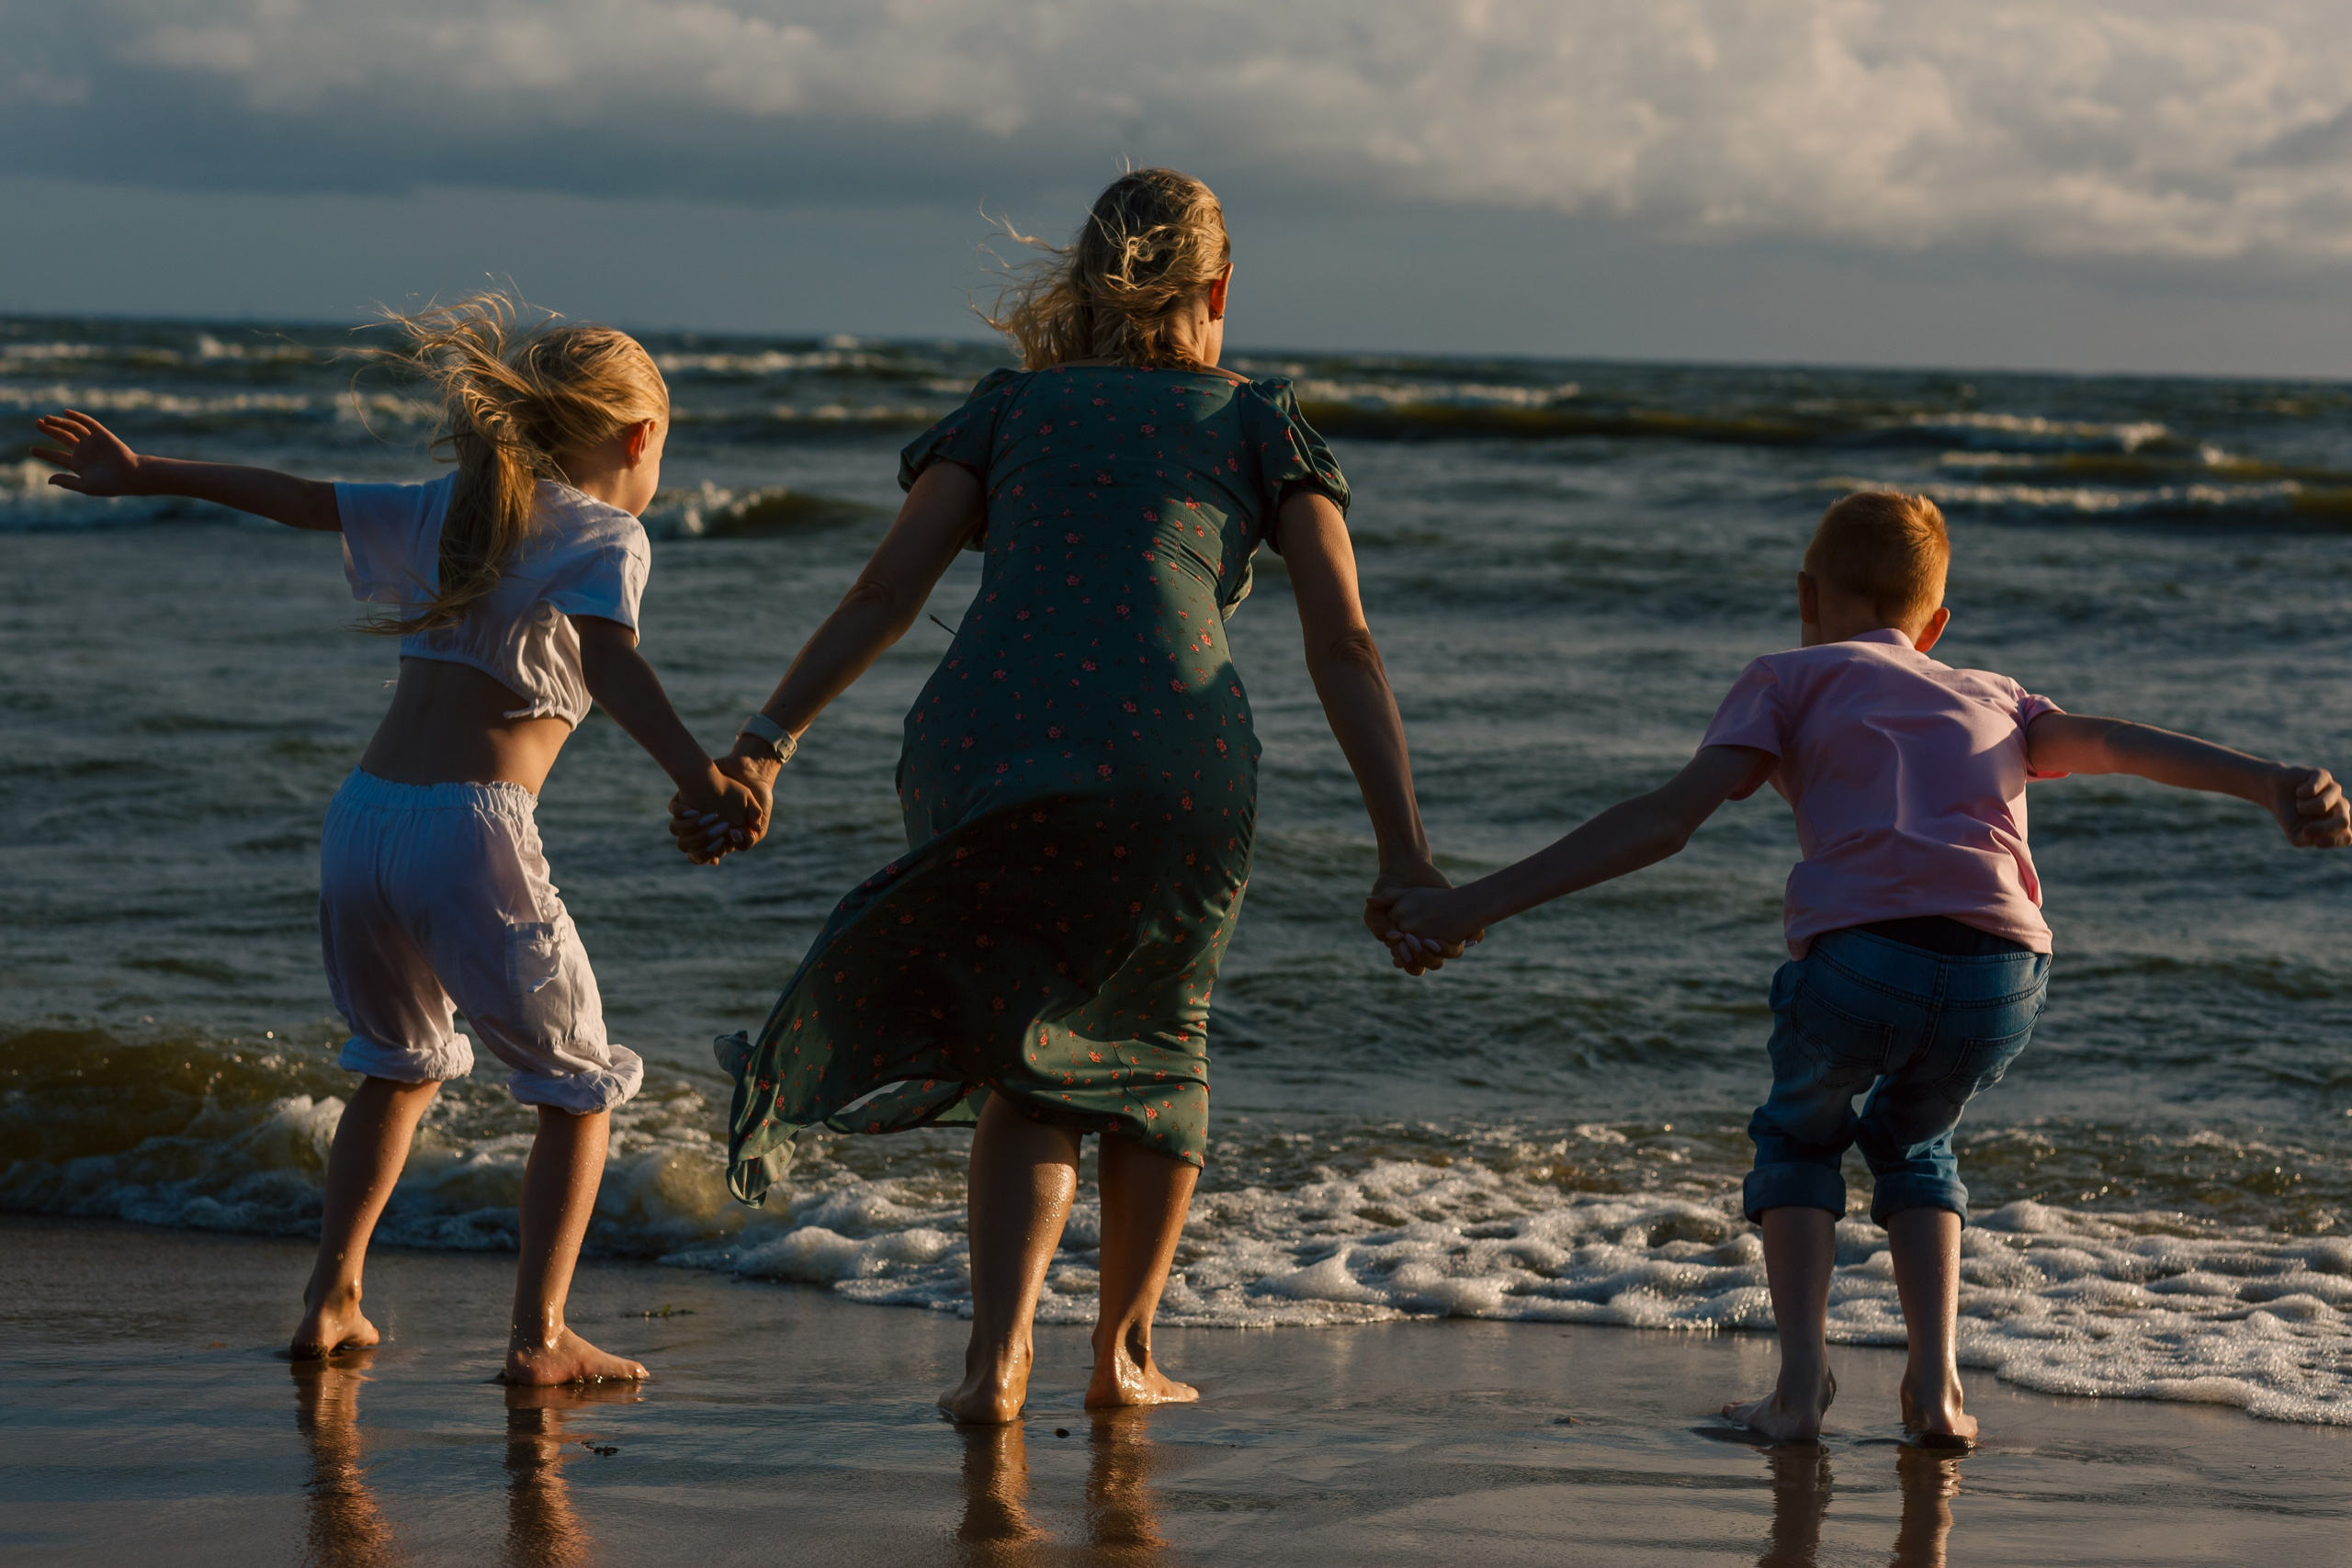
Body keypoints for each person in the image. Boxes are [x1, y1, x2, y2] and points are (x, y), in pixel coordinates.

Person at [672, 167, 1459, 1424]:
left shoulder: (1010, 408)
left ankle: (994, 1363)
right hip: (1169, 754)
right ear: (1219, 284)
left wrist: (766, 741)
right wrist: (1404, 850)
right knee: (1154, 1034)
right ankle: (1122, 1356)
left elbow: (879, 598)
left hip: (983, 738)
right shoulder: (1259, 421)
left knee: (1031, 1054)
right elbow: (1345, 643)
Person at [1371, 490, 2349, 1444]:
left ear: (1807, 597)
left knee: (1798, 1141)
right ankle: (1937, 1387)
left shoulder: (1786, 678)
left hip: (1863, 964)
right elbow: (2112, 744)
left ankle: (1798, 1392)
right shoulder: (1997, 695)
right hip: (2003, 975)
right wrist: (2266, 781)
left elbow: (1667, 819)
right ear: (1936, 624)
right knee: (1918, 1147)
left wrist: (1471, 905)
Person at [33, 295, 758, 1382]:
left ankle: (333, 1297)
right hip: (470, 832)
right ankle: (540, 1337)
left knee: (400, 1068)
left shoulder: (450, 511)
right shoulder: (608, 533)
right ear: (638, 438)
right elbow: (610, 666)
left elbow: (295, 498)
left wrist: (146, 475)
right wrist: (701, 777)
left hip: (362, 821)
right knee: (576, 1087)